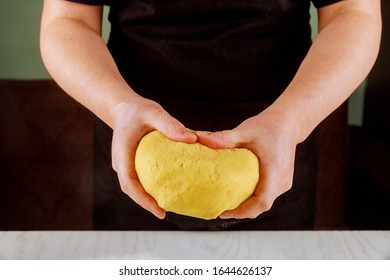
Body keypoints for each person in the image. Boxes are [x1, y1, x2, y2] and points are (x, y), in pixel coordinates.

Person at [40, 0, 381, 230]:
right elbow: (68, 20)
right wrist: (120, 106)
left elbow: (353, 12)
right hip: (135, 141)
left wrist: (291, 121)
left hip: (278, 143)